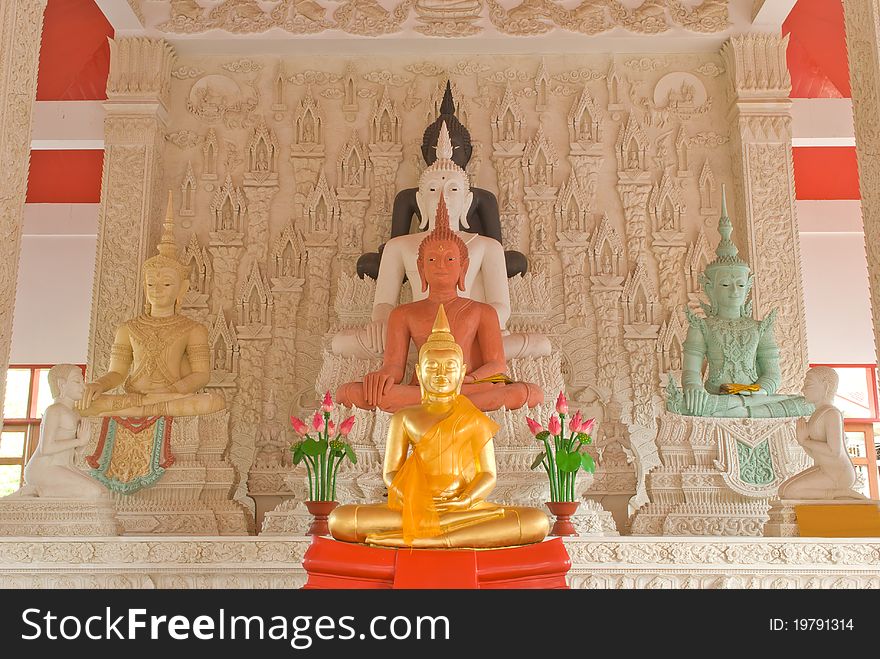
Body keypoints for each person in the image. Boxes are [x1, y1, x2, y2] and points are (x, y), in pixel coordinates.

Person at [329, 307, 549, 548]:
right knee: (341, 519)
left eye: (450, 368)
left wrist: (465, 501)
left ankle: (437, 539)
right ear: (419, 373)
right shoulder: (405, 417)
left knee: (536, 521)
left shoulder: (472, 417)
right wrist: (415, 500)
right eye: (433, 368)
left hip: (462, 510)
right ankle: (438, 535)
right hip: (415, 507)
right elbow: (391, 473)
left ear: (462, 373)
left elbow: (488, 475)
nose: (441, 375)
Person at [337, 194, 543, 412]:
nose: (441, 266)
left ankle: (441, 402)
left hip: (468, 386)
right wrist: (382, 377)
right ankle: (449, 402)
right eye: (432, 260)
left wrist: (469, 380)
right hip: (426, 388)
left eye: (450, 260)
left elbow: (497, 365)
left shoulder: (483, 311)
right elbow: (395, 367)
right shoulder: (403, 314)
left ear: (463, 268)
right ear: (421, 268)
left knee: (527, 393)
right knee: (348, 392)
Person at [356, 81, 526, 280]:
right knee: (375, 260)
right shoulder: (408, 197)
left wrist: (485, 255)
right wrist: (397, 252)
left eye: (453, 189)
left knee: (514, 261)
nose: (443, 197)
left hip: (471, 258)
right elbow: (397, 242)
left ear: (468, 153)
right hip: (422, 257)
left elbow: (496, 250)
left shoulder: (482, 198)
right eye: (433, 189)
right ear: (424, 153)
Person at [80, 193, 225, 418]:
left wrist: (171, 391)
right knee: (86, 405)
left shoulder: (192, 329)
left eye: (166, 283)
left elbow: (201, 375)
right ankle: (142, 407)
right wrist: (99, 384)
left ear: (182, 289)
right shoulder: (128, 329)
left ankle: (146, 408)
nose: (157, 289)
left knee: (213, 401)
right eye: (151, 284)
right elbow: (117, 372)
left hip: (171, 397)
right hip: (134, 397)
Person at [14, 364, 107, 499]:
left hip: (64, 465)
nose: (83, 386)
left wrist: (81, 444)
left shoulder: (75, 414)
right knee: (94, 493)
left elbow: (74, 454)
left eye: (82, 381)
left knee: (103, 492)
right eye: (77, 381)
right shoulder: (54, 410)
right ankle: (37, 491)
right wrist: (78, 440)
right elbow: (46, 448)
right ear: (61, 384)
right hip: (43, 469)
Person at [778, 367, 866, 500]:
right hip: (824, 468)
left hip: (838, 474)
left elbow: (834, 451)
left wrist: (805, 441)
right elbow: (817, 455)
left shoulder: (832, 413)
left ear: (825, 386)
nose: (803, 389)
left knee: (790, 492)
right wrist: (803, 442)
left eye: (808, 385)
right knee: (783, 490)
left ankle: (840, 493)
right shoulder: (817, 414)